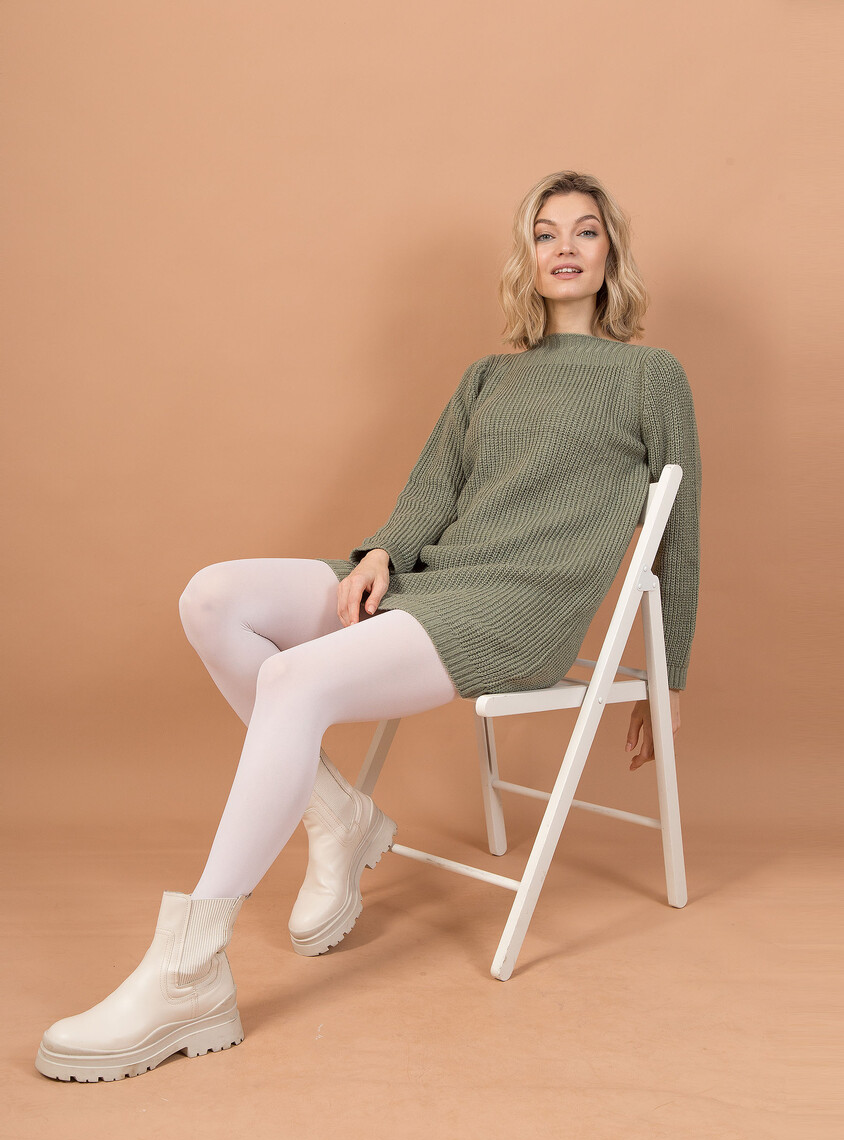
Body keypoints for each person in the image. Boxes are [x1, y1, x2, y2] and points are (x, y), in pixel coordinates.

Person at [34, 169, 702, 1083]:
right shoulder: (488, 377)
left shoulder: (650, 377)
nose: (565, 249)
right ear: (528, 255)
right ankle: (338, 815)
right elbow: (433, 490)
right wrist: (385, 550)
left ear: (610, 251)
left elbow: (680, 530)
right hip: (435, 579)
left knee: (291, 678)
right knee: (211, 599)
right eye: (546, 233)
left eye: (584, 231)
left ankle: (188, 970)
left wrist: (670, 673)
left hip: (518, 609)